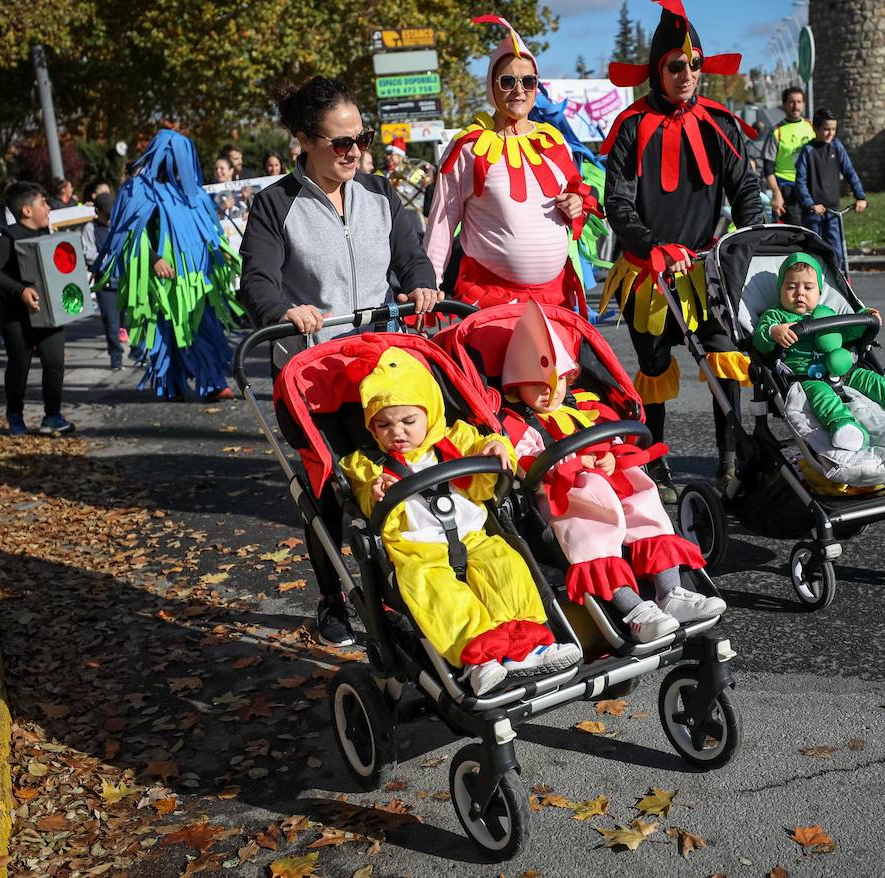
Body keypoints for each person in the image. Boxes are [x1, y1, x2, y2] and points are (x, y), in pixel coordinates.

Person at [238, 75, 442, 646]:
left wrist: (421, 285)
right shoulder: (275, 203)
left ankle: (398, 590)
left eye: (361, 138)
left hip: (379, 367)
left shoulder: (380, 193)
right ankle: (332, 597)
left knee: (394, 477)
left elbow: (412, 257)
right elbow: (256, 279)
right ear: (305, 140)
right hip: (311, 372)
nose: (354, 151)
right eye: (340, 142)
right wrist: (284, 308)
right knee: (327, 489)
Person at [338, 340, 582, 694]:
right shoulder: (369, 464)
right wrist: (375, 493)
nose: (398, 432)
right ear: (372, 428)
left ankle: (530, 646)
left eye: (409, 421)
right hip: (419, 549)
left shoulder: (455, 438)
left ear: (431, 414)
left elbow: (486, 447)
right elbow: (363, 495)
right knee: (440, 596)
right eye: (384, 425)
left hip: (473, 536)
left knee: (507, 571)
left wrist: (497, 447)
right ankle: (477, 661)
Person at [598, 0, 764, 502]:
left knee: (725, 361)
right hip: (647, 276)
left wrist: (745, 241)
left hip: (706, 272)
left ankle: (730, 463)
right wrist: (652, 248)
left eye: (695, 63)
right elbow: (618, 203)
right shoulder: (630, 127)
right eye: (676, 65)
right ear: (656, 70)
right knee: (653, 373)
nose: (688, 74)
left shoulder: (721, 123)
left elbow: (746, 193)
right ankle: (658, 465)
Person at [496, 303, 723, 638]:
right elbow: (527, 463)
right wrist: (574, 463)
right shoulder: (519, 425)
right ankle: (633, 609)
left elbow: (614, 433)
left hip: (611, 479)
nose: (552, 393)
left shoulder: (584, 404)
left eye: (558, 383)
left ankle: (670, 591)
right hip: (568, 495)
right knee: (592, 533)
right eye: (539, 387)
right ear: (516, 387)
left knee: (644, 500)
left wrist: (614, 456)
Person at [424, 15, 592, 313]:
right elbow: (442, 221)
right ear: (492, 85)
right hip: (490, 301)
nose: (519, 89)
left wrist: (576, 204)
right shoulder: (468, 146)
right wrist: (428, 285)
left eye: (529, 81)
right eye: (508, 80)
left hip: (556, 299)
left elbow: (577, 196)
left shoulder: (554, 141)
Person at [95, 130, 244, 400]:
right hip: (163, 280)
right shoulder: (138, 190)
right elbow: (128, 235)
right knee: (166, 331)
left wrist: (220, 260)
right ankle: (171, 383)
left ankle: (212, 382)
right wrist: (153, 258)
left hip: (198, 278)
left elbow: (210, 233)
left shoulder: (193, 193)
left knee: (204, 327)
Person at [752, 253, 885, 450]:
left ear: (819, 292)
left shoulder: (827, 313)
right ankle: (842, 425)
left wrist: (864, 317)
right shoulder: (776, 315)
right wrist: (774, 331)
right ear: (780, 291)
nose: (799, 293)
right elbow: (760, 339)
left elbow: (848, 334)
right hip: (806, 377)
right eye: (791, 287)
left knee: (873, 380)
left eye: (808, 287)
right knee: (823, 398)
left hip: (843, 370)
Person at [0, 181, 75, 436]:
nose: (48, 207)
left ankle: (52, 416)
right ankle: (15, 415)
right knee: (19, 365)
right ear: (26, 211)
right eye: (43, 203)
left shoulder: (48, 233)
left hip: (49, 313)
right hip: (16, 317)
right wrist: (20, 290)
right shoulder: (8, 237)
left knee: (54, 362)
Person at [795, 107, 867, 275]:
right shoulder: (808, 151)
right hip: (814, 213)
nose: (830, 133)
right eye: (826, 129)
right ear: (816, 128)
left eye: (833, 129)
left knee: (837, 252)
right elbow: (800, 182)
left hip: (834, 212)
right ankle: (813, 286)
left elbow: (849, 172)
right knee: (813, 252)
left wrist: (860, 196)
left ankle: (838, 285)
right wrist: (810, 204)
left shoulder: (836, 147)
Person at [761, 86, 815, 228]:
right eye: (791, 102)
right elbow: (768, 169)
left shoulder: (812, 127)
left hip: (810, 188)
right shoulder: (776, 132)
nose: (795, 106)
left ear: (803, 104)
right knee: (793, 235)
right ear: (784, 105)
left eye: (799, 101)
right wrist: (776, 194)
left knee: (815, 234)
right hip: (787, 190)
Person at [81, 190, 124, 370]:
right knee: (111, 323)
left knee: (130, 320)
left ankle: (138, 350)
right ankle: (116, 355)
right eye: (105, 215)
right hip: (105, 283)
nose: (108, 219)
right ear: (97, 212)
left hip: (124, 280)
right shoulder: (90, 229)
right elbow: (87, 253)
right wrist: (107, 258)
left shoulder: (120, 225)